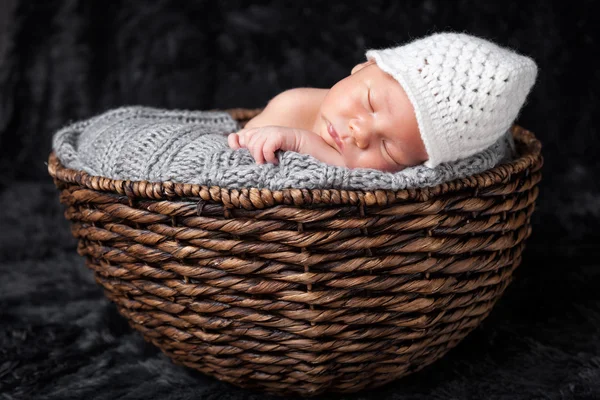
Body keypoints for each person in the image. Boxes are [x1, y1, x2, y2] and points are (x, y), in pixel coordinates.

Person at [228, 32, 538, 172]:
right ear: (363, 67)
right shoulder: (293, 107)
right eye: (369, 103)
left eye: (389, 149)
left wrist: (302, 142)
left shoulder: (388, 180)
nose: (360, 133)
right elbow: (240, 162)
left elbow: (350, 179)